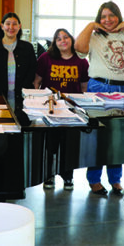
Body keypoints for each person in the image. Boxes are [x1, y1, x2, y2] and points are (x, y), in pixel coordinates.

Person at [74, 1, 124, 196]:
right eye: (103, 17)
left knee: (119, 138)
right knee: (99, 137)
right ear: (99, 19)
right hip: (99, 86)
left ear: (118, 16)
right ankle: (94, 180)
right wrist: (91, 26)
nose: (108, 20)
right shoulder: (94, 36)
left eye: (112, 15)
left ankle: (115, 180)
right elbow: (79, 48)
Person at [34, 28, 89, 190]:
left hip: (72, 110)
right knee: (50, 145)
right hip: (51, 108)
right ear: (55, 43)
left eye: (65, 37)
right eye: (58, 39)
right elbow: (37, 82)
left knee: (69, 145)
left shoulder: (81, 61)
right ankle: (48, 176)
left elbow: (84, 87)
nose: (62, 41)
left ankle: (68, 177)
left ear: (71, 40)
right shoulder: (46, 58)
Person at [0, 12, 37, 107]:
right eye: (8, 24)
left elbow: (32, 71)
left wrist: (22, 89)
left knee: (22, 121)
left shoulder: (28, 47)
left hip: (22, 97)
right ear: (2, 26)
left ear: (19, 26)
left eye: (14, 24)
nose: (11, 27)